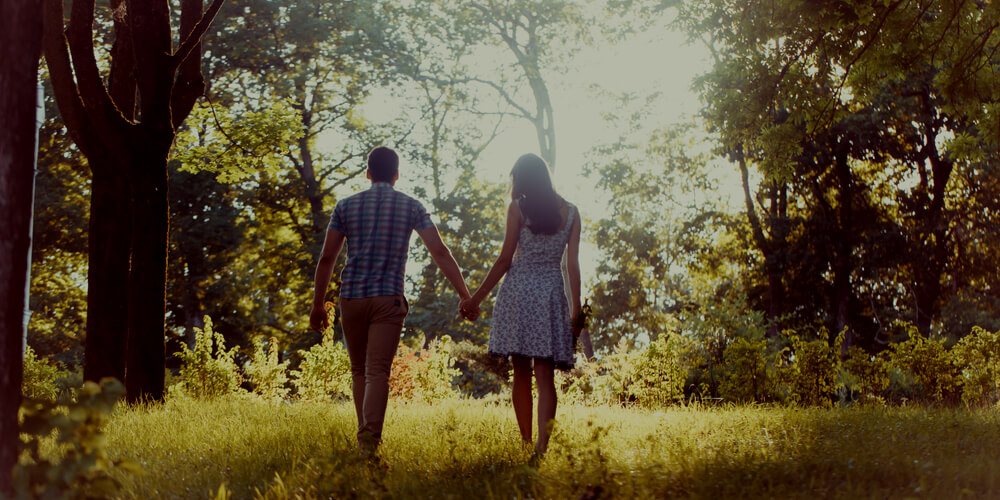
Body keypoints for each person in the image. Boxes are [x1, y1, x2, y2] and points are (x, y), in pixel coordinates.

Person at [310, 146, 477, 456]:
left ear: (368, 173)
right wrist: (465, 295)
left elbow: (327, 258)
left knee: (359, 370)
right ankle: (369, 443)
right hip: (388, 298)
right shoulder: (411, 206)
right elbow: (440, 251)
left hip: (352, 298)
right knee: (377, 372)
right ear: (397, 175)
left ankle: (366, 441)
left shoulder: (345, 207)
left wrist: (318, 303)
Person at [460, 153, 582, 456]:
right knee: (545, 377)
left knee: (521, 374)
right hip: (550, 294)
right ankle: (541, 449)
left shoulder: (518, 208)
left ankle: (526, 442)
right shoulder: (571, 212)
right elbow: (572, 266)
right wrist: (575, 308)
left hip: (518, 293)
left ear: (524, 178)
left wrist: (475, 299)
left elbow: (504, 260)